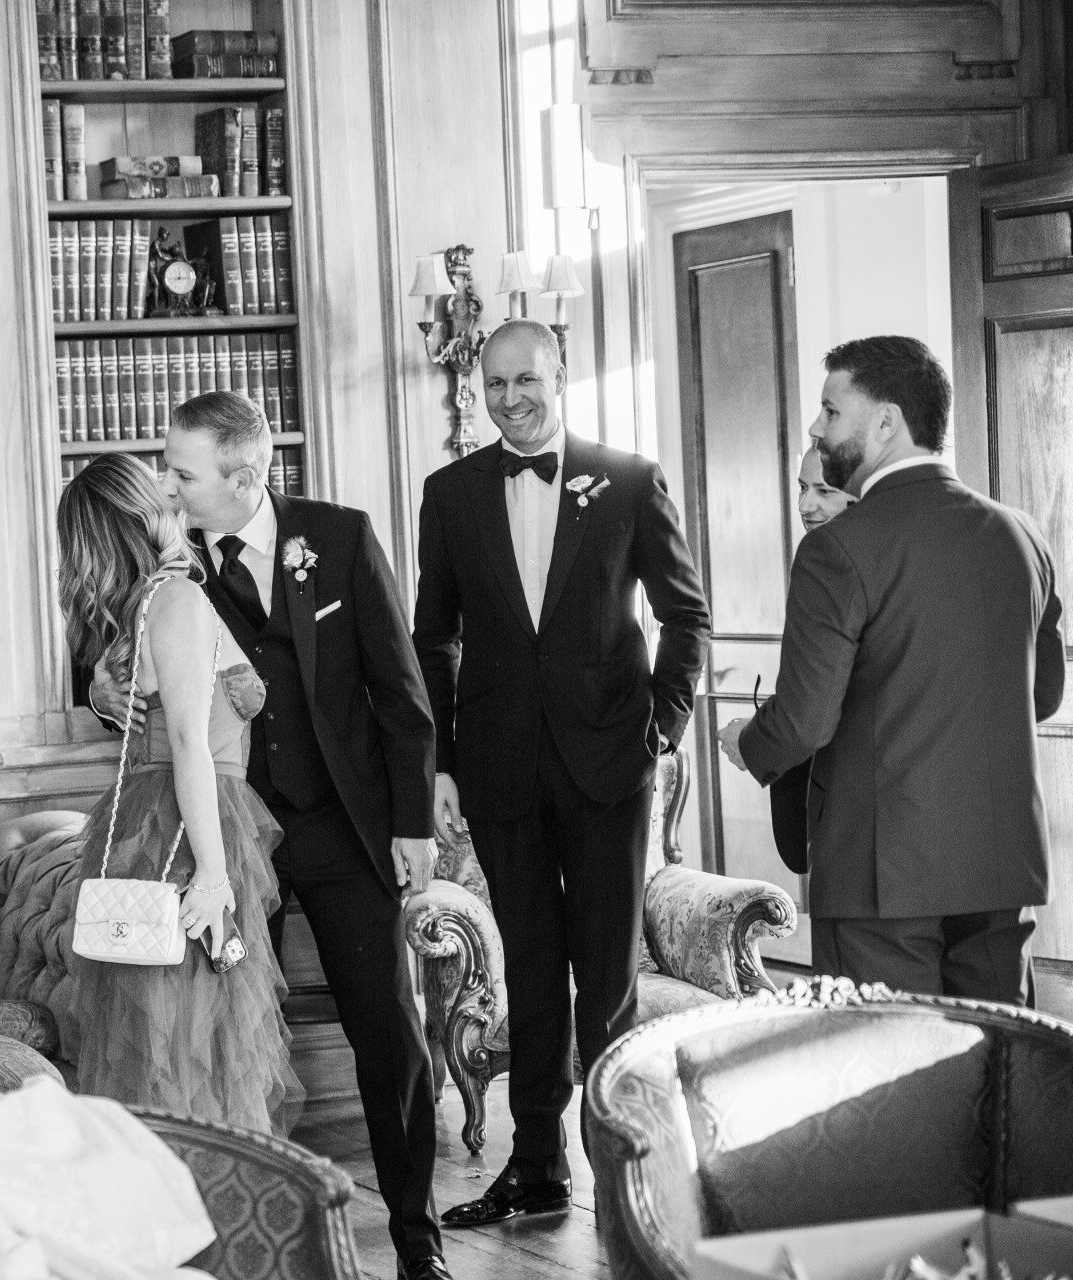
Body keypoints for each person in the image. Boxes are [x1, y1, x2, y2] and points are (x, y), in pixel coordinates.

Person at [98, 392, 452, 1280]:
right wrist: (97, 690)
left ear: (244, 475)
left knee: (387, 1030)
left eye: (183, 473)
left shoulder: (339, 536)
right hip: (220, 837)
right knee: (226, 1041)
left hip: (342, 827)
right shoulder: (170, 559)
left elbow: (401, 689)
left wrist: (413, 823)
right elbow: (108, 651)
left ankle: (418, 1242)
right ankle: (250, 1246)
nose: (168, 488)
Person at [413, 319, 710, 1227]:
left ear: (560, 376)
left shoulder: (630, 480)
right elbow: (434, 638)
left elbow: (686, 616)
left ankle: (618, 1171)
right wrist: (442, 764)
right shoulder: (450, 492)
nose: (510, 399)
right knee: (533, 972)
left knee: (608, 979)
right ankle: (536, 1167)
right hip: (499, 769)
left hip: (611, 766)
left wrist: (660, 730)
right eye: (494, 384)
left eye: (526, 381)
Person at [719, 336, 1064, 1004]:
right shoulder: (1023, 536)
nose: (816, 428)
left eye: (830, 410)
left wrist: (747, 743)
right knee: (996, 1054)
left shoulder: (837, 548)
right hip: (999, 865)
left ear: (885, 422)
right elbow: (1042, 695)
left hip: (880, 875)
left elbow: (804, 723)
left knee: (887, 1065)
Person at [49, 451, 298, 1135]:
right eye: (163, 488)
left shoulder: (145, 606)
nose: (174, 494)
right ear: (142, 516)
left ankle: (170, 1181)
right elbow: (189, 742)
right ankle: (203, 1181)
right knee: (197, 1039)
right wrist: (213, 874)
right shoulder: (176, 600)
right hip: (190, 827)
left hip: (155, 818)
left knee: (170, 1035)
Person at [768, 444, 855, 874]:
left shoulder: (829, 558)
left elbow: (813, 716)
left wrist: (753, 741)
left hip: (851, 798)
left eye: (824, 491)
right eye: (802, 488)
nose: (805, 506)